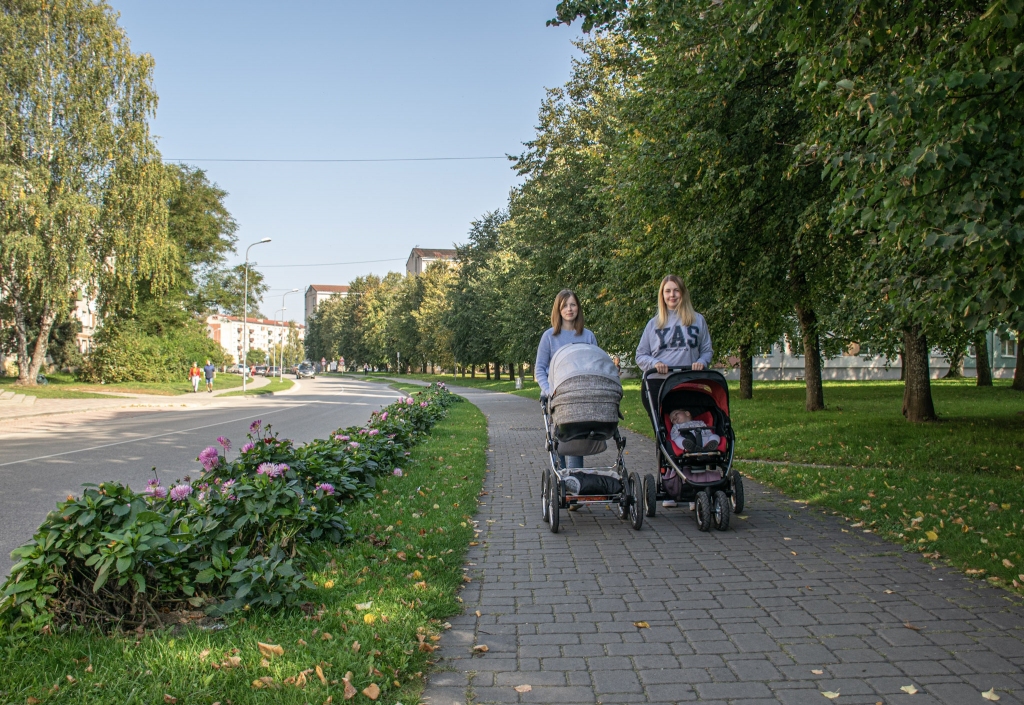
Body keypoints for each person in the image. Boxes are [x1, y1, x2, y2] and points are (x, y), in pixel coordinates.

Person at [635, 275, 713, 506]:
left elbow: (707, 350)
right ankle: (670, 483)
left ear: (683, 293)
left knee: (691, 431)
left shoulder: (697, 321)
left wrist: (701, 362)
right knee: (666, 434)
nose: (672, 295)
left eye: (676, 291)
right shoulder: (654, 324)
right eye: (667, 291)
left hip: (687, 384)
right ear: (662, 295)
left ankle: (693, 485)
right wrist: (654, 364)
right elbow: (640, 355)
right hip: (659, 384)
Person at [536, 289, 598, 483]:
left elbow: (595, 365)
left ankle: (576, 481)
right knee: (558, 438)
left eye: (572, 305)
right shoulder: (549, 336)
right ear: (558, 309)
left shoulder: (588, 336)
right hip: (556, 395)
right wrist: (549, 391)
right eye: (565, 306)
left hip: (580, 395)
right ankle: (561, 480)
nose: (569, 309)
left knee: (575, 436)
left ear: (578, 307)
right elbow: (539, 369)